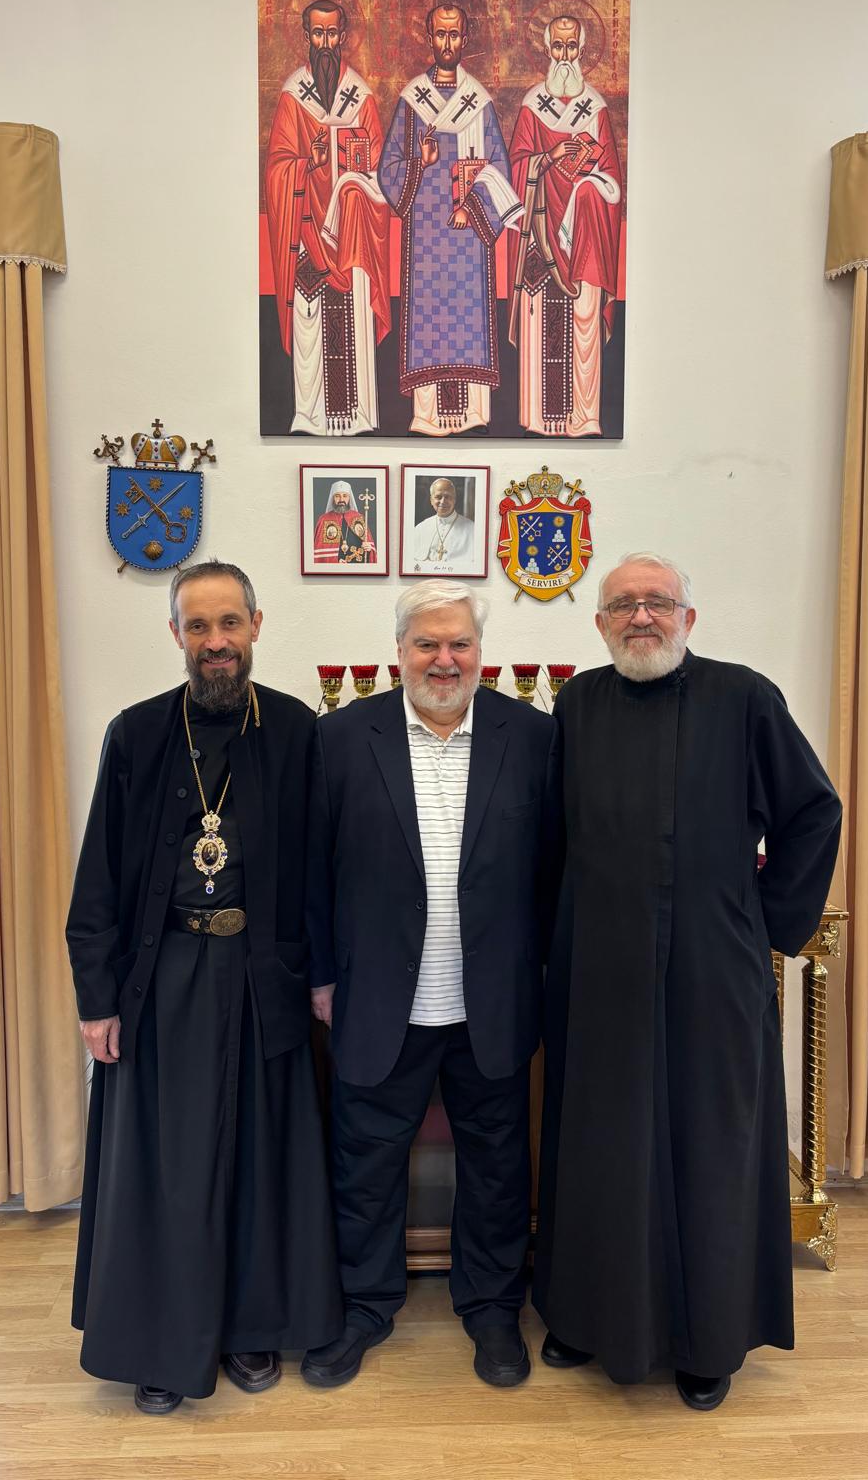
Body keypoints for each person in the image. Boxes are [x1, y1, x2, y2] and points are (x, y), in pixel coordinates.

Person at [534, 552, 842, 1411]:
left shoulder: (745, 699)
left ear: (688, 618)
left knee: (712, 1147)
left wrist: (762, 921)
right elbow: (552, 836)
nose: (642, 616)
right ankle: (586, 1316)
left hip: (713, 969)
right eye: (624, 604)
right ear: (600, 623)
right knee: (599, 1142)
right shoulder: (577, 705)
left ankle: (709, 1338)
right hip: (600, 970)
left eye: (658, 602)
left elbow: (813, 811)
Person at [67, 560, 341, 1413]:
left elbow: (322, 869)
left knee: (259, 1156)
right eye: (198, 626)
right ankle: (161, 1341)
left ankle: (250, 1326)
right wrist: (96, 998)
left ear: (256, 626)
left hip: (263, 974)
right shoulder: (137, 733)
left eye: (229, 623)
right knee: (168, 1165)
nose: (215, 641)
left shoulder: (295, 729)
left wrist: (323, 976)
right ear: (176, 635)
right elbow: (98, 877)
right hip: (163, 977)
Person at [302, 582, 559, 1389]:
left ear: (481, 653)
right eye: (427, 644)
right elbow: (311, 873)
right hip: (378, 997)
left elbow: (556, 868)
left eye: (459, 644)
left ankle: (492, 1309)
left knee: (497, 1167)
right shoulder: (341, 738)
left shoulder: (535, 736)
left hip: (494, 1000)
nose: (444, 660)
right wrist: (320, 975)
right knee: (364, 1165)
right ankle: (363, 1306)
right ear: (399, 652)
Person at [379, 4, 522, 435]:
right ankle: (426, 415)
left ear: (465, 38)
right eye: (440, 34)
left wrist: (472, 207)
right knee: (428, 323)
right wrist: (420, 164)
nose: (447, 43)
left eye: (454, 34)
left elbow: (500, 168)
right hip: (425, 238)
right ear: (429, 37)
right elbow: (388, 169)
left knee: (468, 321)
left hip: (468, 240)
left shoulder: (479, 102)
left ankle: (475, 414)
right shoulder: (413, 101)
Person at [264, 0, 391, 436]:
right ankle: (310, 416)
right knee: (310, 323)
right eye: (317, 33)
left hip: (352, 235)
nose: (325, 42)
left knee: (353, 320)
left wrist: (354, 181)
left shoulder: (362, 98)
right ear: (306, 36)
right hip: (307, 231)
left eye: (332, 33)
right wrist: (307, 164)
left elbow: (380, 169)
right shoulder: (292, 98)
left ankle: (359, 417)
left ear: (343, 36)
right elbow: (277, 168)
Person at [508, 15, 623, 437]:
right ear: (546, 48)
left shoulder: (595, 108)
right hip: (541, 232)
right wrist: (550, 157)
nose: (564, 55)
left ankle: (585, 418)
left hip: (585, 237)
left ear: (582, 49)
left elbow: (613, 179)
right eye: (557, 46)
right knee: (541, 322)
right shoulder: (532, 104)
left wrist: (589, 183)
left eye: (571, 46)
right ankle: (539, 420)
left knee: (583, 318)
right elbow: (517, 166)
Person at [408, 477, 477, 572]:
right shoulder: (420, 528)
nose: (443, 501)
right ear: (431, 500)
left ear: (454, 500)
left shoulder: (472, 529)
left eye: (447, 497)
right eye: (438, 497)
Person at [313, 478, 376, 565]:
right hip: (335, 569)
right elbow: (320, 551)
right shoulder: (324, 519)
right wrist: (335, 562)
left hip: (357, 567)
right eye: (337, 496)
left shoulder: (359, 518)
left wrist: (369, 548)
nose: (341, 499)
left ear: (349, 498)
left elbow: (370, 548)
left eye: (345, 496)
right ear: (333, 498)